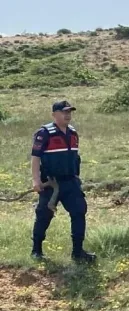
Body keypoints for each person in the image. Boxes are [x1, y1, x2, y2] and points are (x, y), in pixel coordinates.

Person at [30, 100, 96, 263]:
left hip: (71, 182)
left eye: (69, 112)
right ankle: (36, 250)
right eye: (63, 112)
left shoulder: (73, 133)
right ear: (54, 115)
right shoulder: (44, 133)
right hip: (51, 183)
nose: (67, 115)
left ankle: (78, 252)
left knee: (79, 212)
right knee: (44, 215)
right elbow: (35, 158)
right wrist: (36, 180)